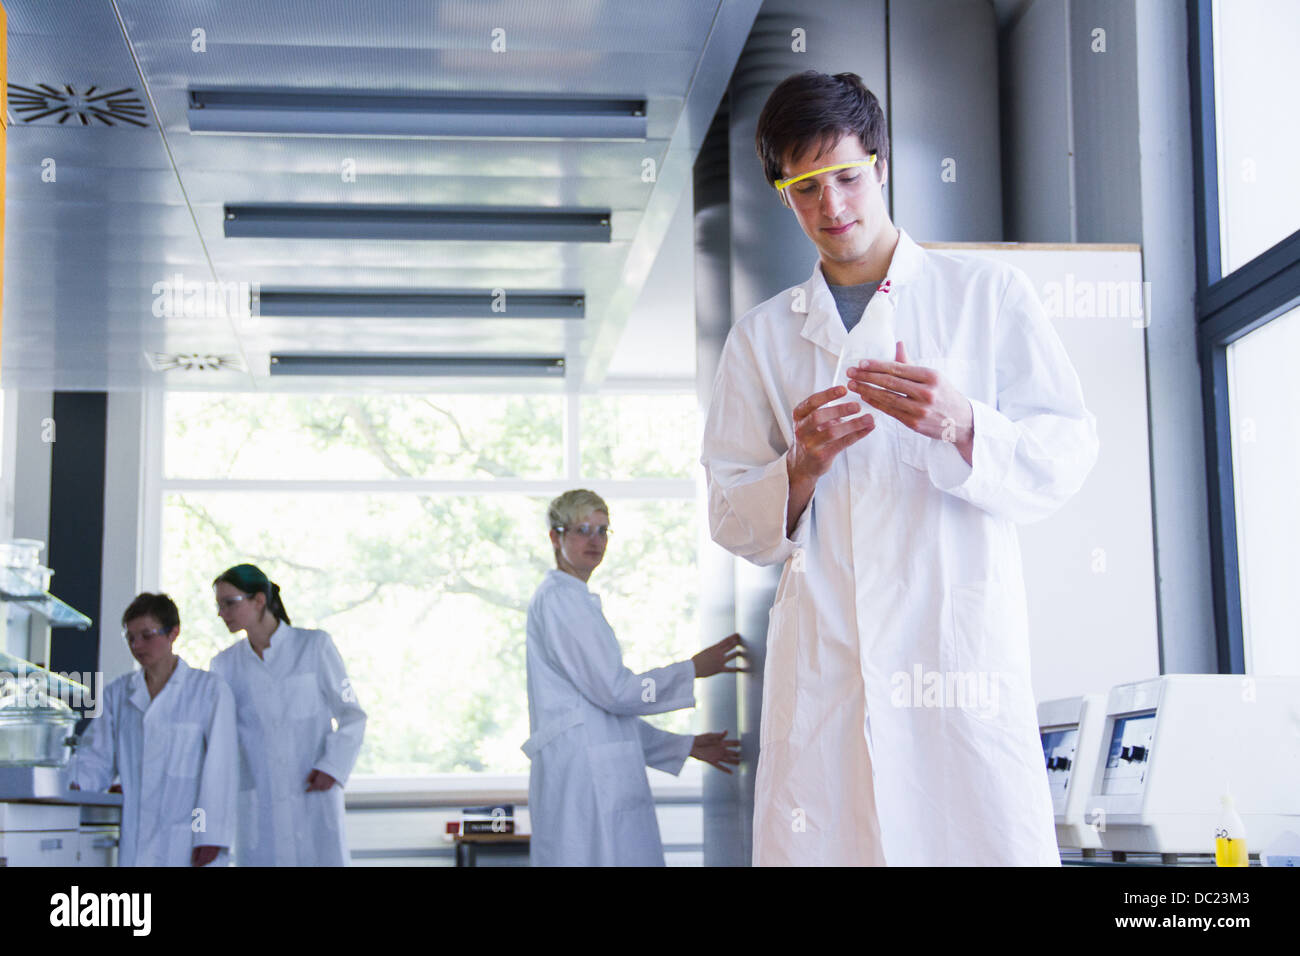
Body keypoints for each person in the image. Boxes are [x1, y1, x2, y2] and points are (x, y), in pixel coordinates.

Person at [700, 71, 1099, 866]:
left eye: (846, 177)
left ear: (878, 163)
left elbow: (1066, 453)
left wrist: (964, 424)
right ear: (783, 193)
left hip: (954, 656)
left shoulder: (985, 294)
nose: (833, 207)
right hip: (828, 669)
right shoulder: (762, 337)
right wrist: (800, 469)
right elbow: (729, 513)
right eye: (805, 188)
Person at [523, 489, 743, 866]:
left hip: (591, 773)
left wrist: (681, 745)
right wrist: (692, 669)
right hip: (583, 781)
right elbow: (615, 693)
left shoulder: (573, 599)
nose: (595, 541)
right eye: (582, 529)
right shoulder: (562, 601)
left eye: (603, 530)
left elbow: (604, 719)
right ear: (555, 537)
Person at [209, 563, 366, 866]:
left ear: (258, 600)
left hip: (312, 795)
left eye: (229, 603)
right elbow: (221, 741)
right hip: (258, 807)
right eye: (218, 605)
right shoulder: (224, 666)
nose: (221, 613)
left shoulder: (315, 647)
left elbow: (352, 714)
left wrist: (333, 766)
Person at [70, 592, 237, 867]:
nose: (137, 645)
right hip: (137, 835)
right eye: (130, 637)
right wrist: (76, 781)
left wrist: (207, 834)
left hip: (188, 838)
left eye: (147, 635)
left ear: (173, 633)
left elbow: (219, 770)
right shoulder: (118, 694)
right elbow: (97, 755)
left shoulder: (208, 690)